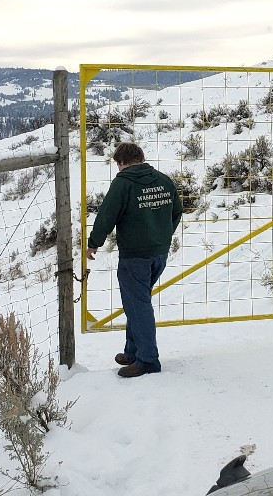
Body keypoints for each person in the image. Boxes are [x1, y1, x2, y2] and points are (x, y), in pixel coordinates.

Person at [86, 142, 182, 378]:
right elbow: (177, 211)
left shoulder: (123, 183)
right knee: (136, 302)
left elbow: (107, 214)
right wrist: (163, 236)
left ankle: (148, 360)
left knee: (138, 305)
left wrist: (93, 243)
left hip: (135, 255)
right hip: (159, 253)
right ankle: (133, 351)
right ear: (141, 157)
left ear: (120, 162)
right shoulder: (163, 179)